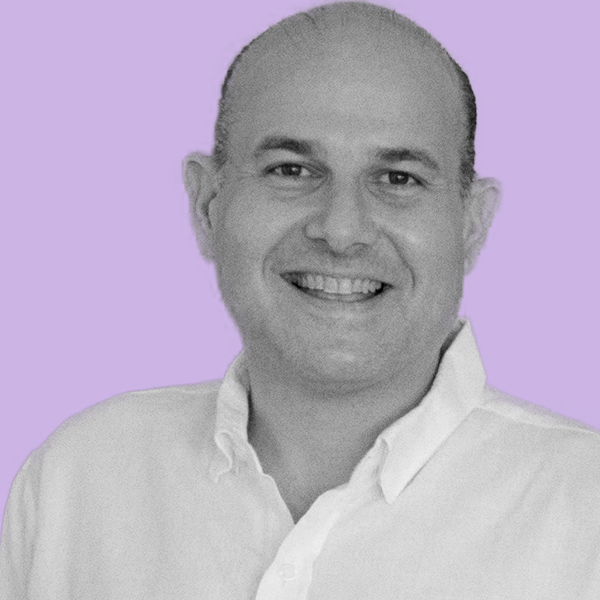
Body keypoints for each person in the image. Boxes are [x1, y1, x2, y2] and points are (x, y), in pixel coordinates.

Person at [1, 2, 599, 598]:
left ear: (471, 225)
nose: (341, 231)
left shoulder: (585, 512)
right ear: (207, 205)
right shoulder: (75, 483)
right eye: (291, 170)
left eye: (399, 178)